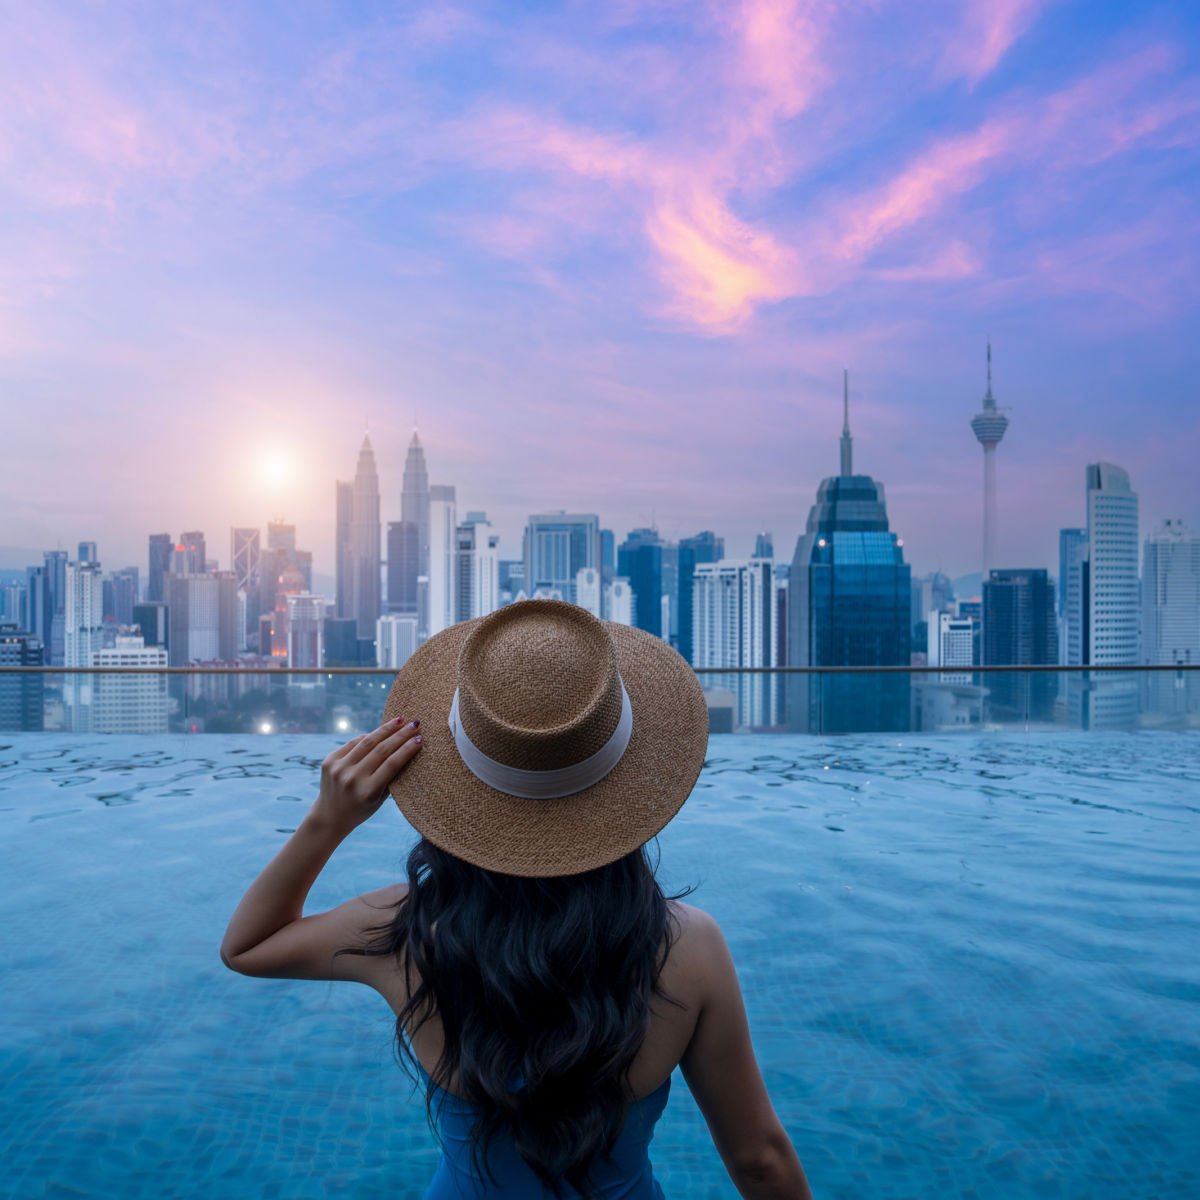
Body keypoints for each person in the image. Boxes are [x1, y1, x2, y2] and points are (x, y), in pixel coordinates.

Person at [222, 599, 812, 1199]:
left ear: (452, 779)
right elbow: (759, 1158)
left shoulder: (403, 934)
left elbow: (248, 947)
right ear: (631, 784)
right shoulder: (688, 949)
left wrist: (328, 820)